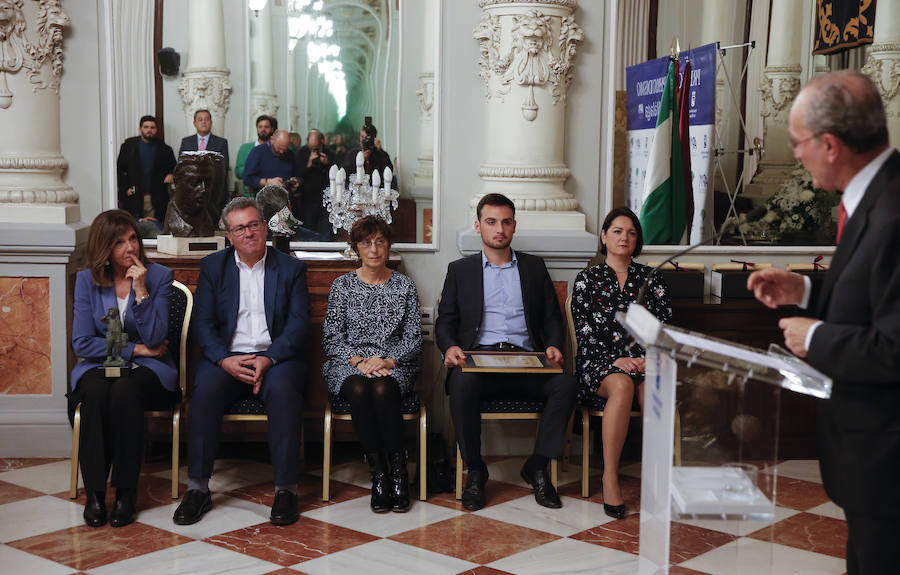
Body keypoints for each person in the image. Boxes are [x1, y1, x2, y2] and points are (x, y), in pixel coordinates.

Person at [746, 70, 900, 575]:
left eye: (797, 143)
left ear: (830, 145)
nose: (794, 153)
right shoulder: (874, 196)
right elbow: (874, 294)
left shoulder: (893, 213)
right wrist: (806, 292)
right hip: (868, 456)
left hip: (888, 458)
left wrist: (816, 335)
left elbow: (894, 347)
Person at [172, 197, 310, 527]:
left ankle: (286, 491)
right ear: (229, 235)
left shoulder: (291, 268)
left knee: (285, 392)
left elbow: (299, 323)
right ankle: (198, 489)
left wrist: (269, 358)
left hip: (275, 357)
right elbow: (203, 324)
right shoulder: (213, 267)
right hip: (228, 357)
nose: (248, 233)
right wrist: (224, 360)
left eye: (254, 224)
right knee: (203, 391)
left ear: (265, 227)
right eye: (240, 228)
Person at [435, 193, 577, 511]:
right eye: (491, 222)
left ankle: (537, 466)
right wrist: (450, 347)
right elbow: (446, 320)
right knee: (461, 383)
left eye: (506, 222)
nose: (499, 229)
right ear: (478, 226)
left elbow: (553, 317)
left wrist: (553, 345)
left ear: (514, 226)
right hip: (480, 363)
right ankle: (475, 470)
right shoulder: (461, 270)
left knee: (566, 385)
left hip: (527, 364)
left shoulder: (533, 267)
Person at [69, 209, 176, 528]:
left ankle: (126, 493)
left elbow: (158, 336)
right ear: (104, 248)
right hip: (99, 365)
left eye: (133, 239)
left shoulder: (159, 277)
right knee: (96, 392)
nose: (130, 248)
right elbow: (82, 343)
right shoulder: (87, 281)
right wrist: (136, 348)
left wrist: (141, 290)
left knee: (126, 390)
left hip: (149, 370)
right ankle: (96, 495)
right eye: (119, 243)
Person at [571, 207, 671, 519]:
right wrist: (617, 359)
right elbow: (583, 331)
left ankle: (657, 478)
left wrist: (646, 358)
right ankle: (610, 476)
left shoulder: (651, 278)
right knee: (623, 385)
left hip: (645, 362)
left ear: (637, 238)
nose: (624, 237)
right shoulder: (587, 279)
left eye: (630, 232)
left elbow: (664, 326)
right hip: (598, 364)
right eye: (617, 231)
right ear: (604, 236)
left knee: (652, 389)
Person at [322, 216, 422, 512]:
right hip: (349, 363)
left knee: (381, 388)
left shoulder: (405, 286)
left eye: (380, 241)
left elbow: (414, 337)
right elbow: (331, 337)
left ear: (389, 246)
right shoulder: (342, 286)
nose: (374, 249)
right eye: (367, 242)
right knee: (358, 387)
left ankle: (399, 474)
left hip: (395, 363)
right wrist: (359, 361)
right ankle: (379, 475)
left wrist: (388, 360)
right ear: (356, 248)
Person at [116, 115, 176, 235]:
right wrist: (124, 189)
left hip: (155, 197)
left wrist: (171, 175)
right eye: (146, 127)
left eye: (152, 127)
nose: (149, 130)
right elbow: (119, 170)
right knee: (132, 231)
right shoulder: (129, 146)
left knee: (154, 230)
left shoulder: (165, 149)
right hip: (133, 196)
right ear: (140, 128)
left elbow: (175, 168)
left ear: (156, 129)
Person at [179, 109, 231, 216]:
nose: (203, 122)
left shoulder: (221, 142)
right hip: (192, 190)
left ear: (211, 123)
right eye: (200, 119)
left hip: (214, 190)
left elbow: (224, 166)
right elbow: (181, 165)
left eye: (206, 119)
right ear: (194, 123)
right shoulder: (186, 141)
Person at [162, 152, 224, 237]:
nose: (203, 190)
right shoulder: (174, 222)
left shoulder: (210, 221)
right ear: (176, 181)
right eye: (194, 183)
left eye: (208, 183)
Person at [295, 129, 333, 240]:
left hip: (325, 198)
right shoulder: (301, 153)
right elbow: (297, 175)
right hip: (307, 199)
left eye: (316, 149)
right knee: (308, 231)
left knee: (325, 231)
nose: (314, 151)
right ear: (307, 142)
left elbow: (338, 172)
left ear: (322, 142)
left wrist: (327, 164)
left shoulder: (329, 153)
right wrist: (309, 164)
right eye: (311, 148)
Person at [243, 130, 301, 198]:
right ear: (272, 140)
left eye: (285, 149)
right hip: (264, 201)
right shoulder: (257, 152)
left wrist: (296, 181)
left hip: (286, 199)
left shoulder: (290, 154)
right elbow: (247, 179)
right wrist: (267, 182)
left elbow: (298, 175)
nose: (282, 152)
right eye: (279, 148)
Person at [235, 115, 275, 197]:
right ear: (257, 128)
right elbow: (238, 172)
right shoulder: (245, 148)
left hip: (272, 195)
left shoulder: (275, 149)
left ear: (272, 129)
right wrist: (256, 168)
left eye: (266, 127)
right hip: (250, 195)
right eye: (260, 127)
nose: (263, 129)